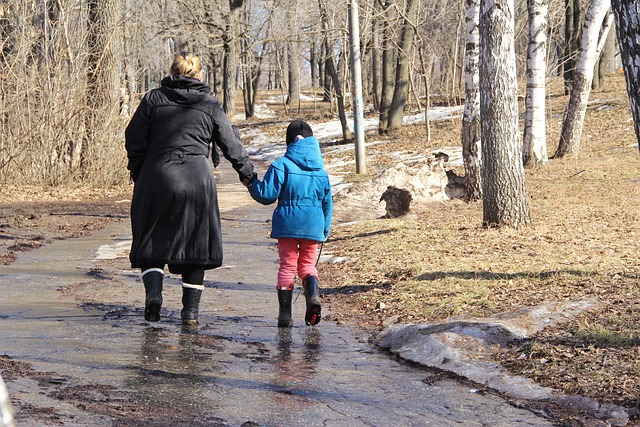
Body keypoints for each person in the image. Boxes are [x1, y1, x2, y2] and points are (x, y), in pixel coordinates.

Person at [125, 53, 255, 326]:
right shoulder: (209, 104)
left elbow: (133, 137)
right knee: (197, 242)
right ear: (200, 76)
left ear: (172, 72)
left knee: (151, 238)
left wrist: (139, 169)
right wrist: (247, 174)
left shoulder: (153, 99)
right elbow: (230, 141)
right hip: (197, 178)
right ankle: (190, 314)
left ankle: (154, 295)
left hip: (156, 176)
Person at [247, 120, 332, 327]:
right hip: (313, 226)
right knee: (307, 266)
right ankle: (312, 297)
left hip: (287, 224)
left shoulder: (281, 166)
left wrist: (251, 183)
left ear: (289, 143)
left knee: (287, 266)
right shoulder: (322, 172)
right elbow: (327, 203)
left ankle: (285, 315)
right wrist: (325, 229)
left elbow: (266, 195)